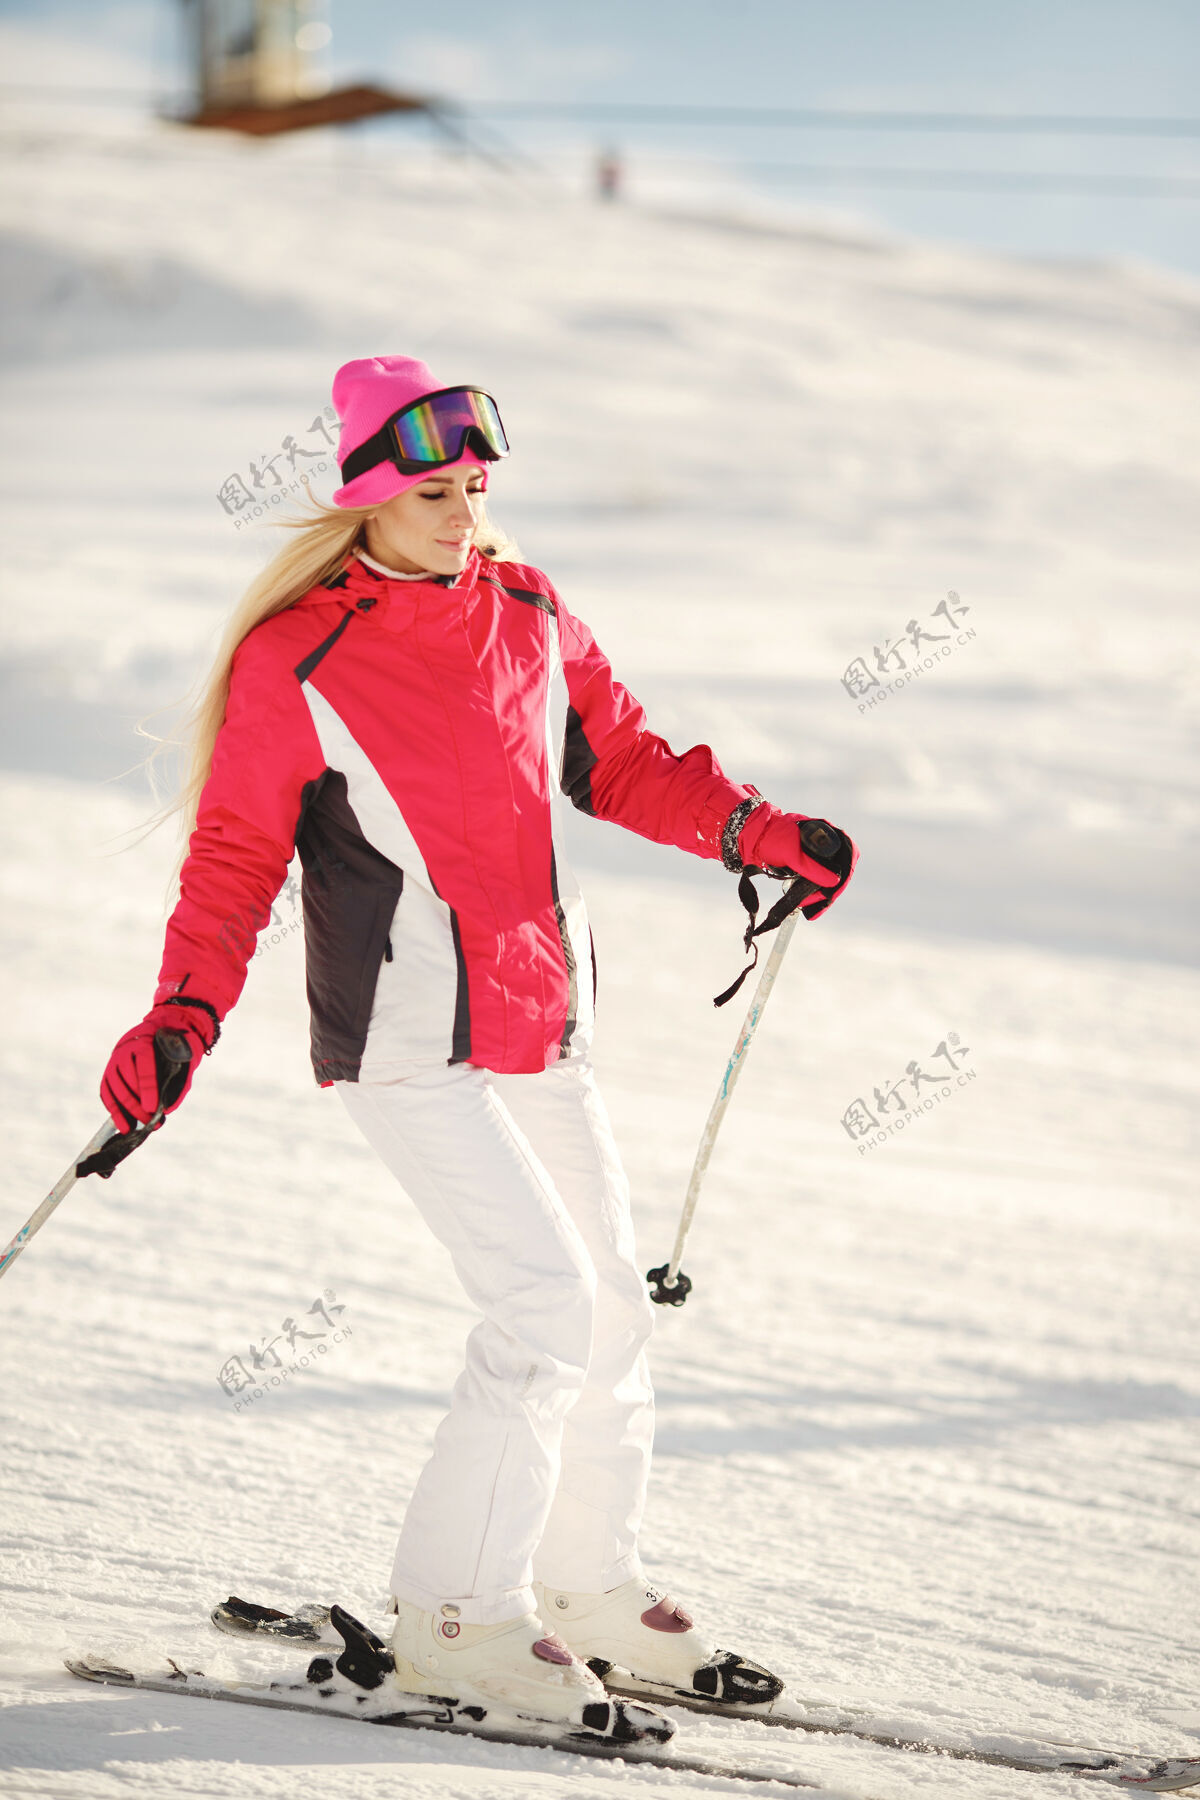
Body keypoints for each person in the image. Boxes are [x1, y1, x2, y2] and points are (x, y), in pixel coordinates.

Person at [100, 355, 857, 1742]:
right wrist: (180, 1021)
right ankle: (458, 1616)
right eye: (437, 492)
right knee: (540, 1314)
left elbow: (618, 759)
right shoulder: (304, 654)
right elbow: (231, 863)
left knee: (613, 1309)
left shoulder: (524, 605)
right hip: (402, 1039)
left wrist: (756, 831)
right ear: (369, 501)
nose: (466, 513)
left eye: (477, 487)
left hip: (536, 1015)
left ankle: (588, 1581)